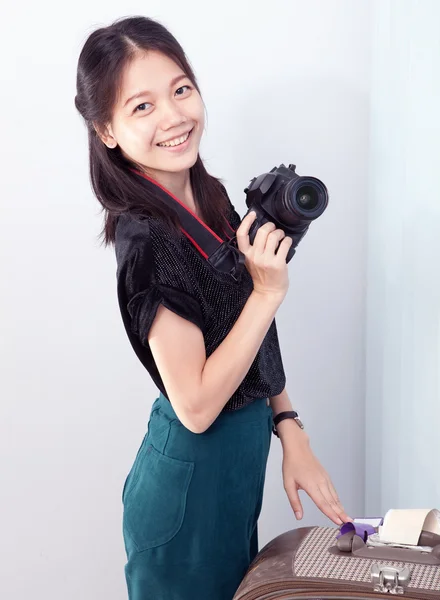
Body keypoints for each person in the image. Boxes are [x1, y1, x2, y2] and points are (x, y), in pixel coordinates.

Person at [74, 15, 352, 600]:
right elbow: (197, 405)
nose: (174, 117)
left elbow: (246, 326)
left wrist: (288, 425)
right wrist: (269, 291)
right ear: (106, 129)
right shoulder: (147, 239)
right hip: (189, 485)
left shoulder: (210, 196)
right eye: (142, 106)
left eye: (181, 89)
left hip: (234, 468)